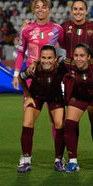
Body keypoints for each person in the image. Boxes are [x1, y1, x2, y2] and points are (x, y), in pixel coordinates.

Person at [12, 0, 65, 167]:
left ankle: (59, 158)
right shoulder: (27, 30)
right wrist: (15, 74)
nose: (40, 10)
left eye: (44, 7)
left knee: (56, 121)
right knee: (28, 119)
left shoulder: (58, 29)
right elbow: (21, 53)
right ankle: (26, 157)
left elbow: (67, 47)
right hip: (31, 81)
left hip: (53, 80)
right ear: (34, 10)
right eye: (37, 7)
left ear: (50, 10)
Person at [61, 0, 93, 167]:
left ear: (87, 11)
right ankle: (72, 158)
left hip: (92, 78)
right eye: (75, 9)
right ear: (72, 11)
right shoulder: (64, 27)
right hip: (72, 78)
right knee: (72, 120)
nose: (78, 12)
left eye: (81, 9)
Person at [61, 43, 93, 173]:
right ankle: (73, 162)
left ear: (89, 56)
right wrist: (35, 63)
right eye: (76, 55)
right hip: (80, 97)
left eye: (82, 56)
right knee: (69, 124)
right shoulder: (69, 63)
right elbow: (56, 58)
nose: (78, 59)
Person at [17, 45, 67, 173]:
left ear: (55, 58)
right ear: (40, 58)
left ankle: (59, 160)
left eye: (49, 58)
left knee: (59, 124)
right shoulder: (33, 69)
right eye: (43, 58)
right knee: (27, 123)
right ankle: (26, 161)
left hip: (55, 97)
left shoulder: (61, 67)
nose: (46, 61)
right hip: (36, 97)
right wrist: (28, 96)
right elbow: (20, 78)